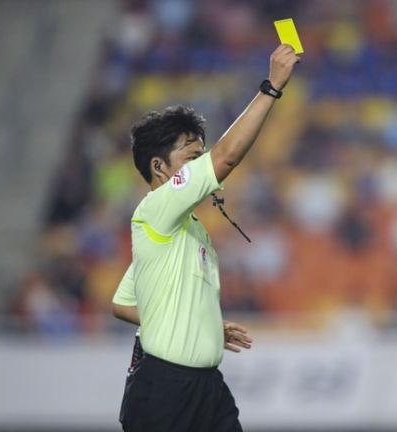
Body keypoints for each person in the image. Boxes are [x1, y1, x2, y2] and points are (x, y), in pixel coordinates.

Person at [110, 44, 299, 432]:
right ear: (159, 167)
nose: (200, 166)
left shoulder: (182, 228)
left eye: (201, 156)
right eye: (191, 158)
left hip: (206, 386)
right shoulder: (154, 210)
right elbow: (226, 158)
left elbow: (123, 303)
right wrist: (272, 87)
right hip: (165, 389)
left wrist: (201, 325)